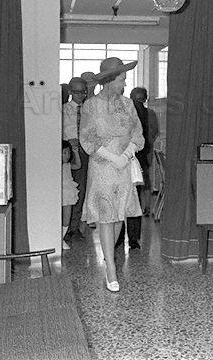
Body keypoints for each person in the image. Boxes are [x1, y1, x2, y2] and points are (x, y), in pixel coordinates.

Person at [80, 57, 144, 292]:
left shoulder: (128, 105)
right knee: (106, 216)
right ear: (109, 80)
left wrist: (125, 155)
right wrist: (111, 156)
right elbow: (87, 138)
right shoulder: (91, 106)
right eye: (122, 79)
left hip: (124, 166)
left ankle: (109, 258)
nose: (124, 84)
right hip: (103, 166)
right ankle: (111, 270)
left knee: (119, 217)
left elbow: (138, 134)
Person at [116, 87, 159, 250]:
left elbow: (152, 136)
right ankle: (119, 237)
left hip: (138, 161)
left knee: (134, 200)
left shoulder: (150, 115)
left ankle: (133, 238)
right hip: (120, 161)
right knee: (120, 200)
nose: (138, 102)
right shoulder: (124, 113)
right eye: (135, 99)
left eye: (141, 99)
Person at [62, 77, 90, 240]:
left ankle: (74, 226)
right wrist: (68, 141)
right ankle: (63, 226)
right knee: (66, 189)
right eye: (77, 92)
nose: (81, 95)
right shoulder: (63, 110)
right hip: (67, 153)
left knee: (80, 189)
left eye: (83, 92)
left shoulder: (90, 110)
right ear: (71, 92)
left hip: (84, 152)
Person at [60, 140, 81, 250]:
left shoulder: (68, 165)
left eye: (68, 153)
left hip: (67, 193)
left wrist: (76, 151)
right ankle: (56, 238)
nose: (67, 155)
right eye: (64, 153)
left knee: (66, 218)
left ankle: (61, 238)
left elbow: (78, 165)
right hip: (59, 192)